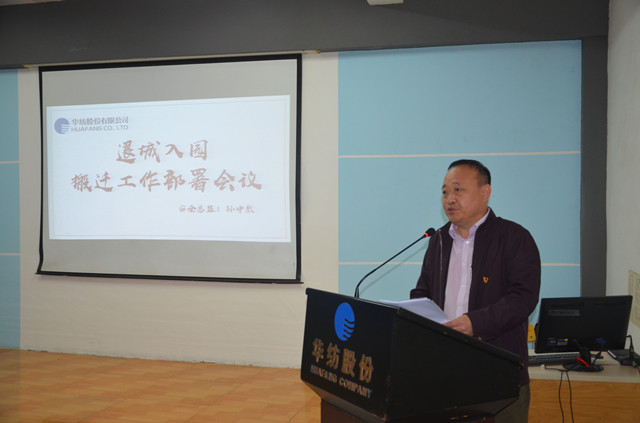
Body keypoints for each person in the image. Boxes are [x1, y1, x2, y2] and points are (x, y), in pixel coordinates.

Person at [410, 159, 541, 423]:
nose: (449, 199)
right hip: (444, 373)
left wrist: (475, 323)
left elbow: (522, 298)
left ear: (485, 192)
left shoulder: (514, 238)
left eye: (458, 190)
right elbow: (423, 292)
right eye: (445, 192)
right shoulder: (438, 241)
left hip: (499, 374)